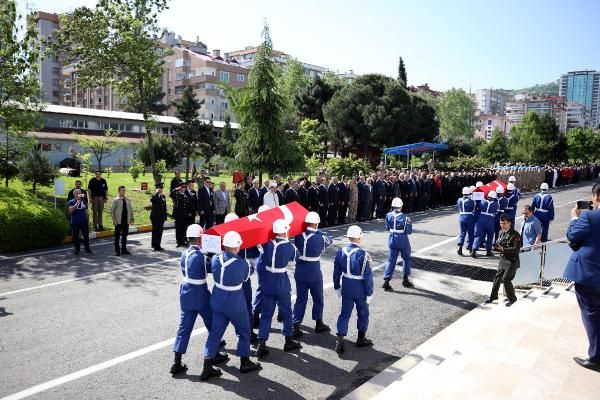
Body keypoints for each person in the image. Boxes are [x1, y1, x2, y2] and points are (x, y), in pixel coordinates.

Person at [200, 231, 261, 381]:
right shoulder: (243, 264)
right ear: (237, 246)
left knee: (215, 333)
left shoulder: (215, 259)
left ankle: (207, 365)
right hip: (235, 303)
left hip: (218, 301)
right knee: (244, 330)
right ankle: (244, 361)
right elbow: (248, 274)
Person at [170, 224, 222, 375]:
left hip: (185, 291)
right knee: (213, 323)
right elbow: (214, 269)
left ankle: (177, 362)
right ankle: (212, 357)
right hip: (199, 293)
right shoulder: (202, 257)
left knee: (184, 327)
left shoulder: (184, 254)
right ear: (200, 239)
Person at [564, 183, 600, 372]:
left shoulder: (589, 216)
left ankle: (596, 357)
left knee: (591, 314)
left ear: (597, 196)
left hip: (590, 274)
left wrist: (573, 219)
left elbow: (572, 235)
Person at [255, 219, 302, 358]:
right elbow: (296, 256)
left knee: (266, 313)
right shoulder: (289, 247)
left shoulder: (266, 243)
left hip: (268, 280)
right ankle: (288, 340)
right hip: (281, 280)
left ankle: (261, 344)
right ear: (284, 231)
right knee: (286, 311)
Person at [292, 212, 334, 338]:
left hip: (300, 270)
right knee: (318, 298)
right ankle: (318, 323)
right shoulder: (319, 238)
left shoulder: (298, 235)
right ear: (316, 223)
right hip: (314, 271)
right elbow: (330, 239)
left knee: (300, 299)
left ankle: (296, 325)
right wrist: (319, 232)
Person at [333, 225, 374, 354]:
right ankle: (361, 338)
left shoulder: (340, 252)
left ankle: (339, 339)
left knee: (344, 314)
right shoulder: (363, 254)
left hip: (346, 287)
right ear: (359, 238)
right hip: (360, 289)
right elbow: (368, 276)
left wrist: (337, 287)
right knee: (363, 313)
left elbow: (336, 273)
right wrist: (370, 292)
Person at [485, 214, 522, 307]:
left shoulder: (515, 234)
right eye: (501, 223)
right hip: (503, 259)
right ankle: (493, 296)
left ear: (509, 223)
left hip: (512, 261)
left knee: (506, 279)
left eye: (504, 223)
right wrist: (496, 246)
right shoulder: (501, 232)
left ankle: (512, 299)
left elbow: (516, 249)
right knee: (497, 278)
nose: (502, 225)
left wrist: (503, 249)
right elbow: (499, 243)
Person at [382, 198, 414, 290]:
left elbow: (387, 227)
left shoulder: (388, 215)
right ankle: (405, 279)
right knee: (406, 258)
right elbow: (409, 231)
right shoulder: (405, 217)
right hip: (402, 239)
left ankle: (386, 281)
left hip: (392, 238)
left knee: (391, 260)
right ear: (401, 205)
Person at [471, 191, 499, 258]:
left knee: (478, 235)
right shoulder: (496, 204)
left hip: (481, 219)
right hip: (490, 220)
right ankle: (488, 251)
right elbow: (496, 212)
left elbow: (477, 207)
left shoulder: (482, 201)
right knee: (490, 236)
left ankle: (474, 250)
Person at [110, 186, 134, 256]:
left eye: (124, 190)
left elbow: (131, 210)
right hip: (118, 221)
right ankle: (117, 251)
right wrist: (114, 220)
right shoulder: (115, 200)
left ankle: (124, 250)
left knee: (124, 236)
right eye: (122, 190)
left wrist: (132, 218)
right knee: (117, 236)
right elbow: (112, 211)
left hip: (126, 221)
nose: (123, 191)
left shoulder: (127, 200)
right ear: (119, 191)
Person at [67, 188, 92, 255]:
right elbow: (70, 211)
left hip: (84, 221)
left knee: (86, 236)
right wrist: (76, 204)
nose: (79, 195)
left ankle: (87, 248)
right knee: (76, 236)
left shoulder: (84, 201)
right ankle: (77, 249)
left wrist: (88, 220)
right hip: (75, 222)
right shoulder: (71, 201)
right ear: (74, 194)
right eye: (77, 193)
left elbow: (86, 211)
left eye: (80, 193)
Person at [457, 187, 477, 256]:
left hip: (461, 217)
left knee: (462, 233)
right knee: (471, 234)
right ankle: (471, 249)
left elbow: (458, 208)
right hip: (470, 217)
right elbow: (474, 209)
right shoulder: (472, 201)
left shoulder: (459, 200)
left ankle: (460, 247)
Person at [150, 182, 167, 251]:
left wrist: (165, 216)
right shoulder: (154, 195)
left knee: (160, 231)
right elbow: (152, 200)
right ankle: (154, 245)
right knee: (155, 231)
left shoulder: (163, 196)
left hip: (161, 216)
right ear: (157, 188)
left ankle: (158, 245)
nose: (161, 189)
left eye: (161, 188)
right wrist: (156, 193)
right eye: (160, 188)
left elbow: (164, 207)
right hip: (155, 216)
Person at [173, 183, 191, 247]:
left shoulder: (185, 196)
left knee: (184, 229)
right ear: (180, 188)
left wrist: (189, 212)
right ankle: (179, 242)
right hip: (178, 215)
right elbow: (171, 194)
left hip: (184, 215)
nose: (183, 189)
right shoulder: (177, 195)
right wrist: (176, 189)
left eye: (184, 187)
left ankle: (183, 241)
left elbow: (187, 205)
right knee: (178, 229)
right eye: (182, 187)